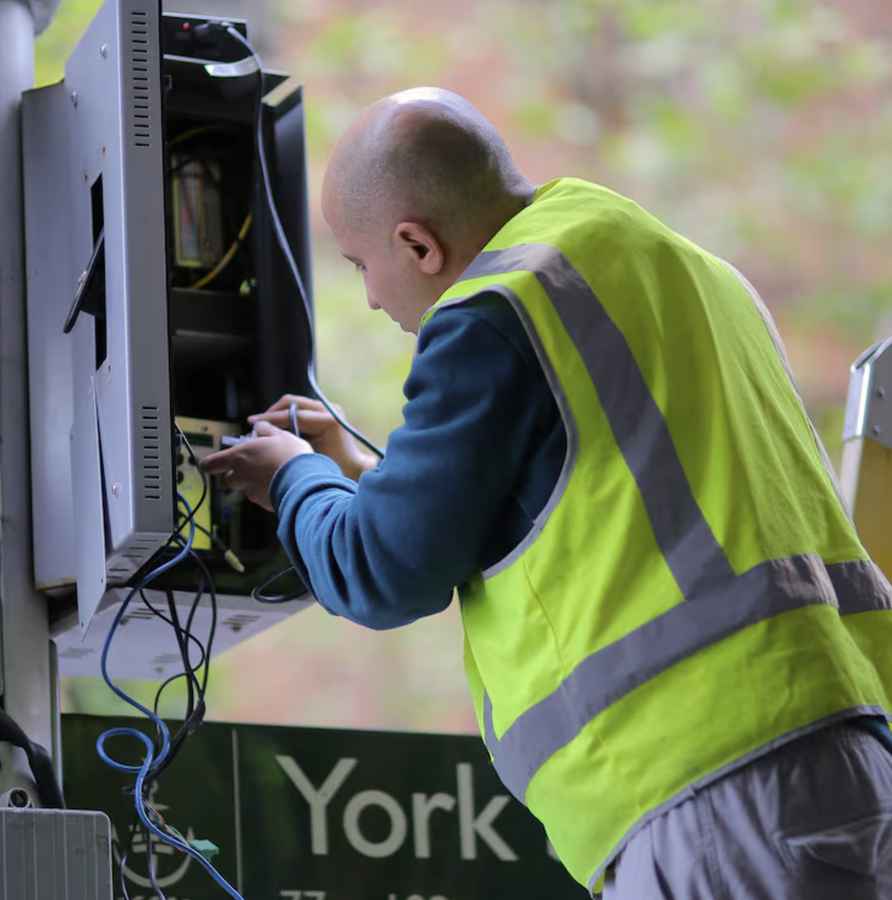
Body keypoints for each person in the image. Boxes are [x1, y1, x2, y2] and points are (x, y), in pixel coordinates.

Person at [200, 87, 892, 898]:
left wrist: (289, 476)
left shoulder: (495, 310)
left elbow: (383, 571)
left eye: (362, 266)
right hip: (846, 758)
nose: (373, 299)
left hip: (707, 784)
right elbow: (577, 502)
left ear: (418, 244)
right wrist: (353, 468)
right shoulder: (684, 271)